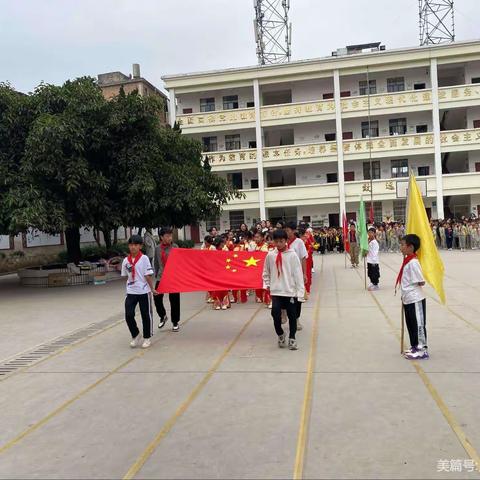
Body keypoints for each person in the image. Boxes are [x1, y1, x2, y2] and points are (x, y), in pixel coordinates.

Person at [262, 229, 305, 351]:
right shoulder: (270, 255)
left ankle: (292, 338)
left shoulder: (292, 255)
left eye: (281, 241)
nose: (279, 244)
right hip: (276, 291)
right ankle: (280, 334)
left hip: (290, 291)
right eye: (276, 241)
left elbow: (298, 274)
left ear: (286, 241)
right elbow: (266, 272)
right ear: (273, 242)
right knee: (275, 314)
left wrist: (300, 292)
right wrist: (268, 284)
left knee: (292, 315)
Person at [121, 235, 157, 349]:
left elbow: (148, 275)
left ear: (140, 246)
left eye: (136, 245)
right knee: (128, 315)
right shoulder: (126, 260)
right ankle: (136, 335)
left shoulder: (144, 258)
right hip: (131, 291)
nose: (133, 247)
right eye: (131, 245)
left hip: (144, 291)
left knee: (146, 315)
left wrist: (152, 289)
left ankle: (147, 337)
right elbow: (125, 276)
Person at [397, 234, 429, 360]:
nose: (401, 247)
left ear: (410, 247)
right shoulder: (407, 261)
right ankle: (414, 346)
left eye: (403, 245)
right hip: (408, 298)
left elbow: (421, 281)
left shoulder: (413, 262)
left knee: (419, 325)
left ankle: (422, 350)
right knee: (411, 324)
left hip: (415, 299)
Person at [154, 227, 180, 332]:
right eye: (167, 236)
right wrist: (157, 274)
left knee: (174, 300)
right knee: (156, 297)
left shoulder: (175, 247)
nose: (170, 238)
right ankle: (163, 316)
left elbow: (180, 262)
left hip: (173, 277)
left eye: (171, 235)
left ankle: (175, 322)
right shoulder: (157, 248)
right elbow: (156, 263)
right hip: (161, 276)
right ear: (161, 237)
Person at [285, 221, 308, 330]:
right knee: (285, 296)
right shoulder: (283, 242)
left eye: (288, 230)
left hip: (297, 275)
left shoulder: (299, 242)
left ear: (293, 231)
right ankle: (284, 313)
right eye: (285, 230)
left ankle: (296, 319)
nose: (286, 232)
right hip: (285, 275)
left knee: (297, 298)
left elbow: (303, 258)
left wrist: (304, 274)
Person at [253, 231, 271, 307]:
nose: (256, 239)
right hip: (257, 268)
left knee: (265, 283)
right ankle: (259, 297)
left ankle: (267, 299)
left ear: (262, 238)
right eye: (255, 237)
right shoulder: (255, 246)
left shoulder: (265, 246)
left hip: (264, 268)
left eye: (258, 237)